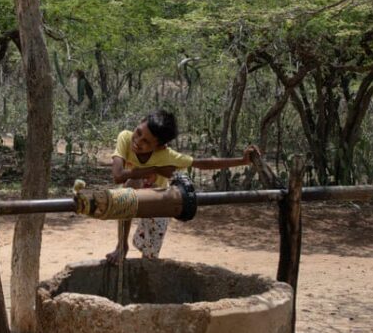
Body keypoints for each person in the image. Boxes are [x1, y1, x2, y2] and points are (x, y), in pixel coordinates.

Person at [106, 110, 259, 263]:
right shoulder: (125, 138)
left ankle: (146, 272)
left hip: (157, 201)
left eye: (146, 142)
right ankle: (122, 245)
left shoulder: (167, 155)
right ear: (139, 122)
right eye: (138, 133)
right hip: (133, 196)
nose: (138, 141)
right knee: (128, 190)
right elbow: (118, 175)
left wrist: (242, 161)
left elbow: (203, 163)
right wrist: (155, 169)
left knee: (150, 255)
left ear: (159, 146)